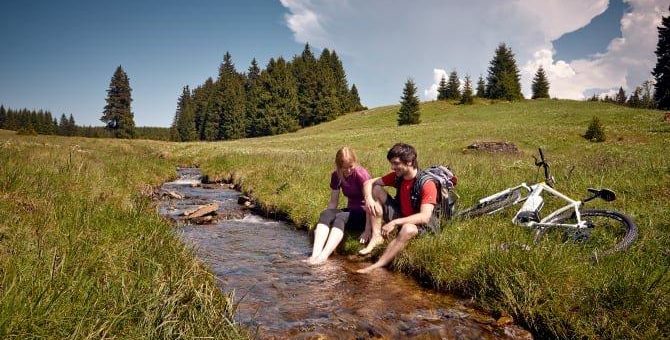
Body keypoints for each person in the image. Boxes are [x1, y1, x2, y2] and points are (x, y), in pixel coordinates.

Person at [356, 143, 439, 274]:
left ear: (410, 161)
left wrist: (394, 222)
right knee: (375, 189)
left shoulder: (427, 184)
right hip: (401, 214)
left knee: (408, 228)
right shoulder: (398, 177)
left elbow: (425, 217)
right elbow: (368, 182)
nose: (392, 167)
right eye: (392, 163)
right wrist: (369, 199)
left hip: (422, 225)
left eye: (396, 163)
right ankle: (376, 237)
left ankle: (377, 265)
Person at [306, 147, 373, 265]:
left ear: (355, 163)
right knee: (326, 213)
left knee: (340, 217)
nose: (348, 171)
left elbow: (369, 203)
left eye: (350, 166)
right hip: (351, 211)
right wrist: (326, 220)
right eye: (344, 168)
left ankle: (323, 257)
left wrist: (367, 230)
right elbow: (333, 202)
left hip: (365, 213)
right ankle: (315, 255)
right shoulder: (336, 176)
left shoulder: (361, 174)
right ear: (338, 166)